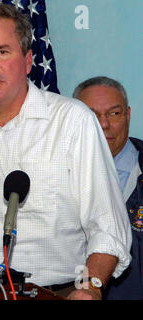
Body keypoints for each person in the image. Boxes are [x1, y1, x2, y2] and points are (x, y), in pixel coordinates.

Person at [0, 3, 132, 300]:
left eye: (2, 51)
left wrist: (91, 288)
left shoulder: (72, 121)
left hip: (58, 293)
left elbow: (108, 225)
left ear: (29, 60)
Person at [73, 76, 143, 299]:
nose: (104, 124)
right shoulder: (57, 176)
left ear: (128, 115)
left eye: (114, 113)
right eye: (92, 116)